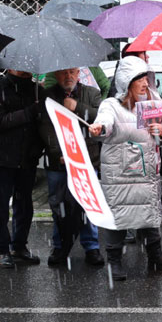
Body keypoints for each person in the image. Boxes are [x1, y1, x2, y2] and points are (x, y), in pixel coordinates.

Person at [88, 56, 162, 281]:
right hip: (120, 176)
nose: (145, 84)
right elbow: (105, 122)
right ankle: (114, 262)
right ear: (127, 82)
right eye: (140, 79)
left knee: (149, 216)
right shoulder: (111, 105)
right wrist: (100, 128)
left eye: (147, 79)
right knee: (118, 217)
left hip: (146, 174)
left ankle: (156, 257)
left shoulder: (151, 103)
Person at [39, 67, 104, 268]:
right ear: (56, 75)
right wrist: (60, 153)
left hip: (86, 161)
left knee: (87, 204)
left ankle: (91, 247)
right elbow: (45, 127)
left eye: (72, 73)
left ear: (79, 74)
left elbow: (98, 118)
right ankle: (60, 246)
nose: (68, 77)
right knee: (59, 206)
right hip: (58, 164)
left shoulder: (92, 93)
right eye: (64, 73)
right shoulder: (48, 96)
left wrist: (76, 106)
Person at [0, 68, 43, 268]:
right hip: (1, 157)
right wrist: (29, 113)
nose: (25, 68)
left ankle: (19, 246)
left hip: (27, 157)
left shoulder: (37, 90)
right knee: (0, 207)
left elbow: (42, 122)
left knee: (25, 205)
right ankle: (2, 249)